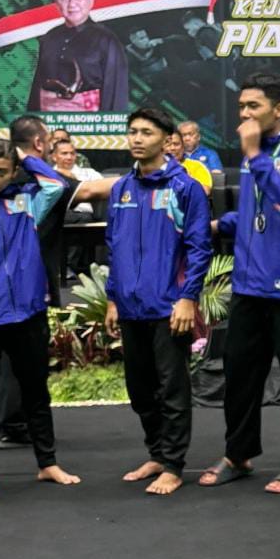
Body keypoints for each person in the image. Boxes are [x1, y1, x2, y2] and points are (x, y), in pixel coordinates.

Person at [200, 72, 280, 496]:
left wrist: (254, 155)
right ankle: (239, 455)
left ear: (279, 109)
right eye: (241, 107)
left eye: (253, 106)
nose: (245, 115)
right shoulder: (258, 157)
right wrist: (222, 224)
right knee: (239, 376)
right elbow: (258, 212)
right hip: (249, 284)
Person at [0, 139, 80, 498]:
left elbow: (57, 185)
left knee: (36, 392)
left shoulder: (27, 201)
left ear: (14, 172)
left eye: (1, 172)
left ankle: (47, 463)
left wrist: (23, 155)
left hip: (27, 313)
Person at [103, 107, 211, 496]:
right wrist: (112, 298)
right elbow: (113, 246)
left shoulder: (186, 188)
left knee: (172, 389)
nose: (136, 138)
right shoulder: (120, 189)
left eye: (146, 132)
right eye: (132, 131)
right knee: (139, 389)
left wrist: (187, 298)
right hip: (129, 306)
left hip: (169, 307)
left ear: (166, 141)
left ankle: (174, 465)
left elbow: (199, 248)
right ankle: (157, 453)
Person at [28, 0, 129, 112]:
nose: (72, 4)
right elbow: (37, 89)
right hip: (48, 121)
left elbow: (116, 92)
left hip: (89, 121)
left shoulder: (106, 40)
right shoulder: (49, 38)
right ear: (56, 1)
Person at [50, 138, 103, 277]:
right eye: (64, 153)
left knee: (80, 219)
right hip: (54, 214)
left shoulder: (89, 173)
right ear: (54, 156)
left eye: (72, 153)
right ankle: (56, 267)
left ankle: (67, 266)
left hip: (81, 215)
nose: (69, 157)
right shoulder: (47, 174)